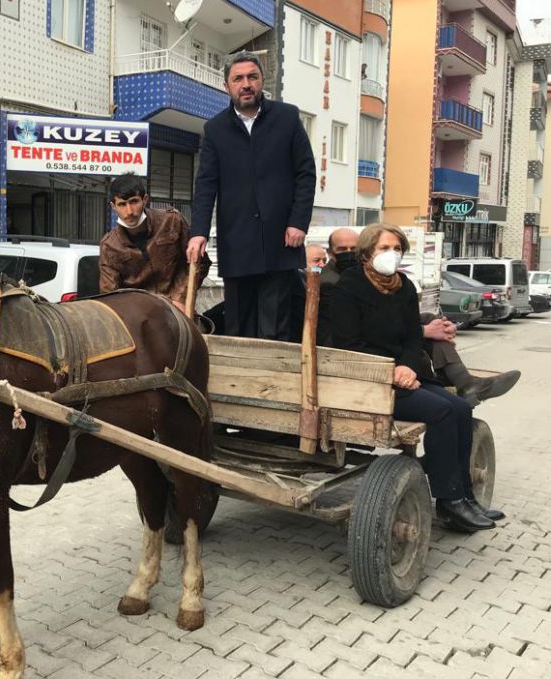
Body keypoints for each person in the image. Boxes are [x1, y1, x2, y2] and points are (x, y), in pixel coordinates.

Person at [331, 223, 503, 532]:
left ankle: (464, 496)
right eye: (384, 248)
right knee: (442, 412)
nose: (392, 255)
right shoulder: (348, 288)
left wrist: (408, 366)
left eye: (397, 249)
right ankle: (448, 501)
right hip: (368, 381)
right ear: (368, 252)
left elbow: (412, 337)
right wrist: (392, 371)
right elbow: (347, 345)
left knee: (461, 408)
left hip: (405, 374)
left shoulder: (404, 286)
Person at [187, 51, 316, 340]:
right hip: (238, 242)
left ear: (261, 81)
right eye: (238, 79)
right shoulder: (215, 129)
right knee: (238, 327)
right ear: (227, 86)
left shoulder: (287, 117)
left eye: (252, 77)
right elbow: (206, 184)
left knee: (276, 327)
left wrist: (298, 223)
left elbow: (305, 174)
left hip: (281, 240)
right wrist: (198, 232)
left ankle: (274, 384)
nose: (246, 84)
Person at [319, 227, 519, 405]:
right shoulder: (338, 282)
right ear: (366, 252)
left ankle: (461, 380)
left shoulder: (399, 283)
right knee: (446, 406)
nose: (349, 254)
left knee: (433, 320)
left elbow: (400, 325)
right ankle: (458, 380)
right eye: (342, 250)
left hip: (392, 354)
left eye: (352, 249)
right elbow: (364, 330)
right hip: (348, 354)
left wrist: (423, 334)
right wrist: (421, 337)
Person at [99, 174, 210, 312]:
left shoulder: (171, 221)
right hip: (139, 317)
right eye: (122, 204)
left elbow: (201, 262)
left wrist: (181, 297)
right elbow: (109, 296)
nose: (129, 211)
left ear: (144, 199)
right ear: (113, 206)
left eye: (134, 202)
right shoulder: (109, 246)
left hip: (178, 310)